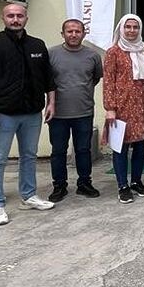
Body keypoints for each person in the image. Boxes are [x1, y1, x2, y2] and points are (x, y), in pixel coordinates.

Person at [0, 3, 56, 226]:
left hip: (32, 112)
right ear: (3, 18)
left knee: (29, 156)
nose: (16, 20)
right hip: (2, 113)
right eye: (11, 16)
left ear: (26, 18)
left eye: (20, 16)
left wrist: (51, 102)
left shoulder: (37, 44)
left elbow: (48, 78)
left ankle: (29, 196)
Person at [47, 18, 104, 202]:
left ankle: (84, 183)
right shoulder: (51, 54)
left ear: (84, 33)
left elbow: (95, 78)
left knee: (83, 149)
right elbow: (46, 82)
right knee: (58, 151)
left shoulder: (93, 56)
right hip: (58, 114)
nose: (73, 34)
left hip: (84, 112)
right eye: (69, 31)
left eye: (77, 31)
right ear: (62, 34)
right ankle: (59, 186)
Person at [103, 14, 144, 204]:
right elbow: (108, 81)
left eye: (135, 27)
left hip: (143, 105)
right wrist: (110, 108)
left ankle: (136, 181)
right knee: (121, 147)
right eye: (128, 27)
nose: (132, 30)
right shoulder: (113, 52)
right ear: (121, 29)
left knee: (141, 146)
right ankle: (122, 185)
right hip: (122, 106)